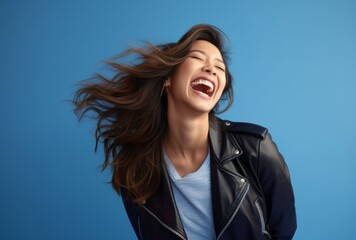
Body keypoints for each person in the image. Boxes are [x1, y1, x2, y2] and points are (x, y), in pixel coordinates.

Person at [73, 24, 297, 240]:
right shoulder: (135, 167)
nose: (211, 69)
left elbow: (283, 230)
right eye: (198, 58)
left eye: (219, 68)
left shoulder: (255, 147)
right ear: (168, 78)